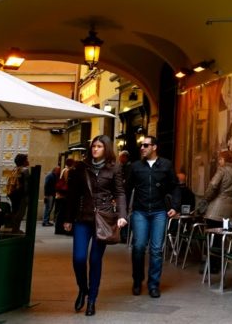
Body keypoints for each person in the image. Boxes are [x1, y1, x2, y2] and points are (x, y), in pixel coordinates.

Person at [61, 135, 127, 316]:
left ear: (106, 148)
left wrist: (122, 215)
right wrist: (67, 218)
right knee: (79, 258)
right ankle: (83, 288)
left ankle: (92, 300)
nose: (95, 149)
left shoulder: (114, 168)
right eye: (93, 146)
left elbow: (120, 193)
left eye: (99, 146)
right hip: (83, 218)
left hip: (103, 220)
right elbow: (72, 195)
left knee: (95, 260)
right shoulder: (81, 168)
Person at [126, 135, 180, 299]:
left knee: (156, 250)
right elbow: (127, 189)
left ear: (154, 147)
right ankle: (137, 280)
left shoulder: (165, 165)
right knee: (139, 247)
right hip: (140, 212)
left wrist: (175, 207)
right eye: (141, 145)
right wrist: (121, 212)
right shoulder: (135, 167)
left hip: (159, 212)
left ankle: (153, 285)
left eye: (146, 145)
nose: (142, 148)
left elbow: (175, 186)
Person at [202, 150, 232, 273]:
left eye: (221, 159)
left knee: (212, 237)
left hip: (216, 208)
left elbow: (213, 186)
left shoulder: (222, 170)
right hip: (229, 209)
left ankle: (211, 266)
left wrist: (207, 198)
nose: (219, 161)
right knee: (221, 239)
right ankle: (218, 265)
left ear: (226, 160)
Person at [6, 153, 30, 232]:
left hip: (13, 194)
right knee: (19, 214)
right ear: (23, 161)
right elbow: (26, 185)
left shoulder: (15, 169)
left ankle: (13, 229)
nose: (28, 161)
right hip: (21, 195)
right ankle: (15, 230)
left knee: (15, 212)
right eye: (26, 159)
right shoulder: (25, 170)